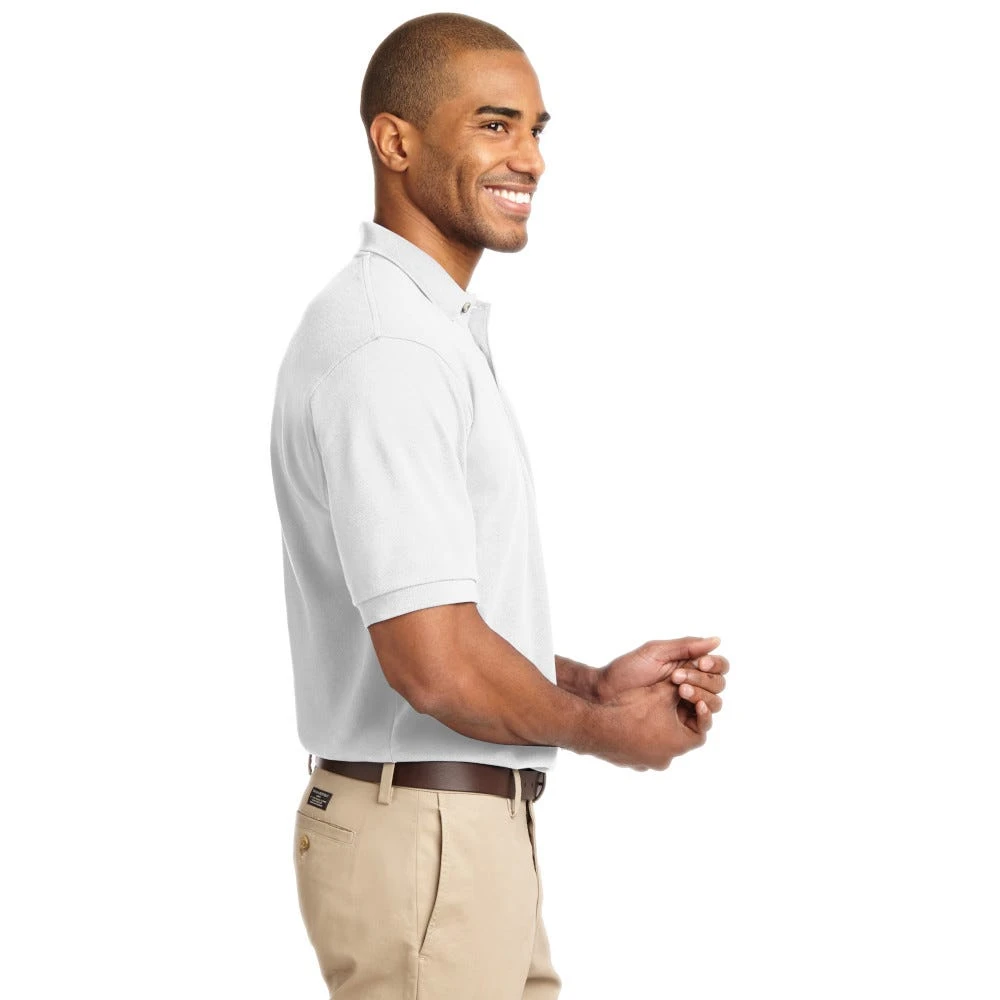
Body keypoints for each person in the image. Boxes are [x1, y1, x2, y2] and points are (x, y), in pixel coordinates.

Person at [269, 12, 730, 1000]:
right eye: (493, 124)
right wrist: (608, 733)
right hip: (427, 840)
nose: (530, 158)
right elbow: (433, 665)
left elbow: (439, 622)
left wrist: (594, 686)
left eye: (535, 128)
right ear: (395, 142)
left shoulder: (420, 332)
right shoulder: (391, 349)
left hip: (455, 840)